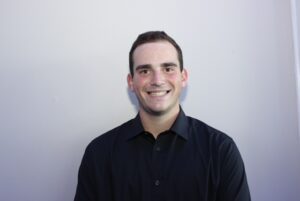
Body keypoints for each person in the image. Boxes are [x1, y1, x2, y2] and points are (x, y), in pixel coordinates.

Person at [74, 31, 251, 201]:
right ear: (131, 82)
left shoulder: (220, 151)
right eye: (145, 71)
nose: (157, 80)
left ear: (183, 77)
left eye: (168, 68)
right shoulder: (98, 155)